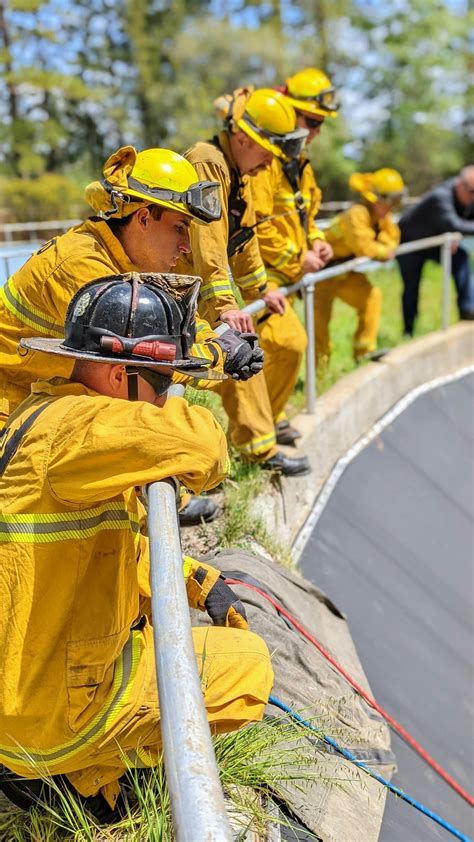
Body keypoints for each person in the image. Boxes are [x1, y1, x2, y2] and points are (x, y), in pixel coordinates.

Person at [0, 272, 273, 822]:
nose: (163, 395)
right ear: (118, 373)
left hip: (20, 695)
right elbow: (205, 449)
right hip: (44, 712)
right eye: (163, 381)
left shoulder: (44, 412)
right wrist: (200, 371)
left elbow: (101, 549)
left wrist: (198, 581)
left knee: (146, 631)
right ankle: (85, 769)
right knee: (250, 667)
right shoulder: (84, 429)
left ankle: (85, 776)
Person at [0, 145, 263, 525]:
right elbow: (147, 354)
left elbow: (164, 320)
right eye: (179, 228)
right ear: (142, 218)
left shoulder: (115, 257)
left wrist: (220, 335)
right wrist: (222, 356)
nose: (187, 245)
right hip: (16, 417)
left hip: (49, 401)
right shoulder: (84, 267)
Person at [176, 87, 311, 476]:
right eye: (265, 151)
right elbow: (208, 242)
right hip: (183, 286)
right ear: (240, 139)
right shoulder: (208, 162)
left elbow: (245, 237)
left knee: (286, 341)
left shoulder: (241, 172)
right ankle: (256, 451)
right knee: (238, 350)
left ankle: (263, 432)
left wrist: (261, 290)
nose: (269, 162)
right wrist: (226, 307)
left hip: (205, 287)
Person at [251, 68, 337, 444]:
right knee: (287, 344)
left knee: (283, 349)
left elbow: (308, 216)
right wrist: (295, 259)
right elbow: (255, 225)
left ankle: (270, 415)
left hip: (287, 277)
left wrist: (317, 241)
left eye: (320, 124)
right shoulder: (264, 163)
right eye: (311, 121)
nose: (316, 131)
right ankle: (256, 429)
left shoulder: (301, 165)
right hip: (259, 276)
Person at [315, 169, 404, 364]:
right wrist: (384, 249)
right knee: (319, 330)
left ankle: (364, 352)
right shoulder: (357, 214)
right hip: (321, 276)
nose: (392, 207)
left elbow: (394, 238)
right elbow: (365, 247)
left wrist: (384, 246)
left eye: (396, 201)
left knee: (371, 297)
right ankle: (319, 378)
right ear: (375, 198)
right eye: (390, 200)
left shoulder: (381, 217)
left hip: (343, 273)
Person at [397, 166, 474, 335]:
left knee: (460, 258)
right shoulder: (440, 196)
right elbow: (454, 223)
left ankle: (468, 310)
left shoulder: (468, 197)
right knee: (411, 287)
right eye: (472, 192)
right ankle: (408, 331)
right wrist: (454, 232)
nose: (473, 197)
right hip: (410, 244)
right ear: (460, 184)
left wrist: (454, 235)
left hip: (435, 242)